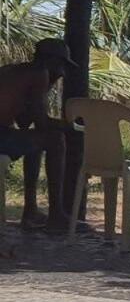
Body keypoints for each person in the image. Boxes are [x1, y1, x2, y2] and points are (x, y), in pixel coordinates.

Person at [0, 38, 77, 233]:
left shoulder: (14, 71)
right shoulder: (39, 73)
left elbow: (25, 123)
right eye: (61, 66)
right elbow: (42, 122)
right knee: (55, 140)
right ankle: (57, 215)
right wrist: (71, 127)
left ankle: (31, 210)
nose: (62, 73)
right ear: (52, 62)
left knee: (37, 140)